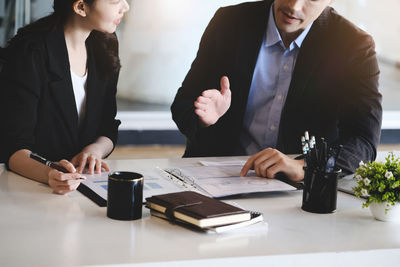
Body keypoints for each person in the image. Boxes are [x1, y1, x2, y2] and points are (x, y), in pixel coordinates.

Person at [171, 0, 382, 182]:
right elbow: (182, 105)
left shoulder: (354, 46)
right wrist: (203, 117)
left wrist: (304, 166)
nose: (293, 6)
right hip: (216, 177)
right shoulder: (229, 22)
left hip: (297, 190)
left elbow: (363, 141)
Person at [0, 0, 130, 194]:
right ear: (80, 7)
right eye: (114, 1)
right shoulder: (30, 49)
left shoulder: (105, 44)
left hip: (81, 185)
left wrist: (94, 150)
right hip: (30, 188)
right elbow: (14, 148)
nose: (125, 7)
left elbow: (108, 126)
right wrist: (49, 173)